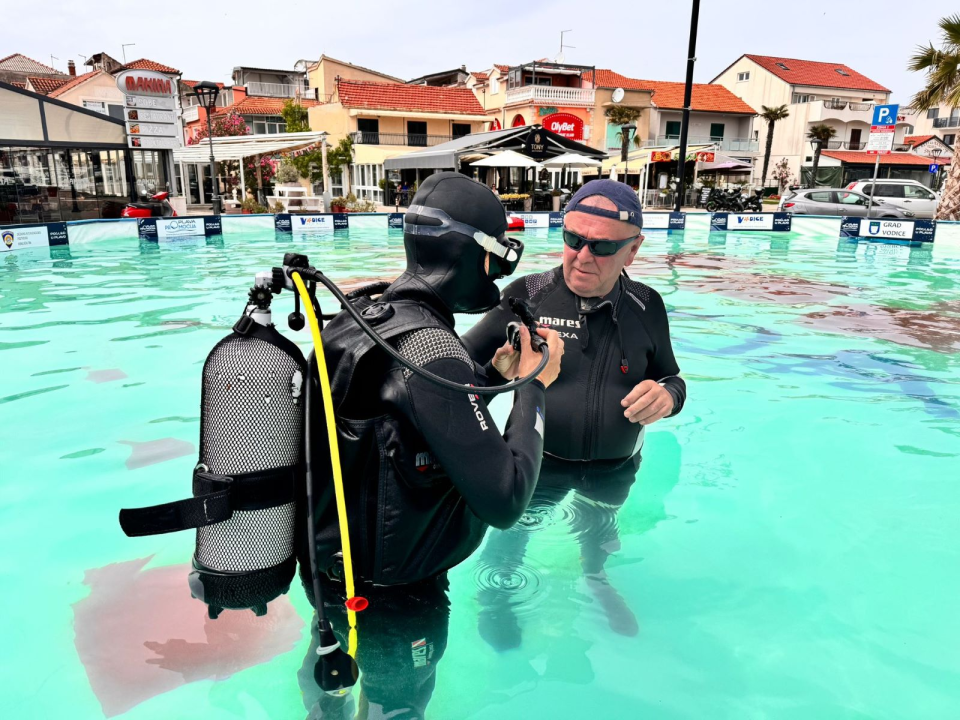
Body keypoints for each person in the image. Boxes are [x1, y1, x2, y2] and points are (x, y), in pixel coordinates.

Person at [300, 171, 564, 589]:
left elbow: (407, 420)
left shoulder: (366, 319)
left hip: (335, 572)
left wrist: (492, 376)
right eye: (501, 254)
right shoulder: (432, 353)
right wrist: (534, 384)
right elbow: (507, 500)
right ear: (477, 253)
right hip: (395, 600)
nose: (499, 273)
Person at [463, 179, 685, 470]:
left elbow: (671, 379)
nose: (582, 258)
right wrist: (495, 374)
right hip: (535, 469)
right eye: (574, 240)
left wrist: (667, 397)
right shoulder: (526, 295)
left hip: (615, 471)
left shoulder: (646, 305)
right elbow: (457, 370)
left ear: (632, 250)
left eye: (602, 247)